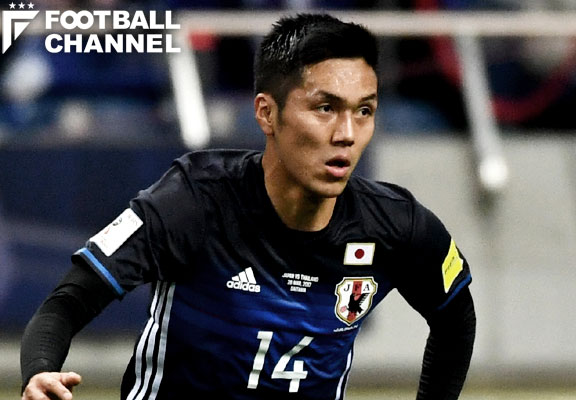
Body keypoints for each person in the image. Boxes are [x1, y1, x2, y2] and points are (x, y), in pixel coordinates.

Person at [20, 13, 476, 400]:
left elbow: (455, 317)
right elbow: (68, 301)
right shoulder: (194, 199)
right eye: (325, 108)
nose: (346, 134)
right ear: (266, 113)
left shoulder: (397, 225)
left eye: (364, 111)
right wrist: (40, 370)